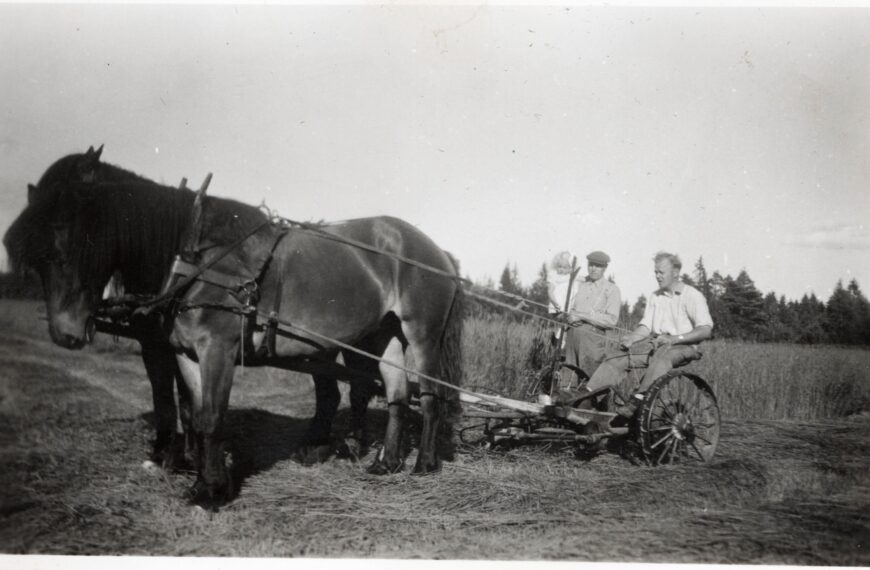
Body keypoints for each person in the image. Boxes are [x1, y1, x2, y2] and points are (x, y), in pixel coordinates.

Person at [582, 251, 713, 417]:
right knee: (616, 357)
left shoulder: (692, 296)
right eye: (655, 272)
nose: (657, 276)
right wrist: (632, 338)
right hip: (657, 344)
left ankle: (637, 400)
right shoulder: (655, 296)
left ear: (675, 273)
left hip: (683, 347)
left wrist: (674, 339)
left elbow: (705, 330)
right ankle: (588, 397)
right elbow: (645, 327)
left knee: (662, 356)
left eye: (661, 272)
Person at [559, 250, 621, 389]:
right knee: (568, 378)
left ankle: (591, 408)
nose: (593, 268)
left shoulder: (611, 290)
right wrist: (569, 316)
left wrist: (582, 316)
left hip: (593, 341)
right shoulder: (580, 284)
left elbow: (611, 320)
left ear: (605, 268)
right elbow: (569, 306)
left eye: (597, 266)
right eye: (591, 264)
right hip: (571, 336)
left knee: (590, 381)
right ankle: (567, 406)